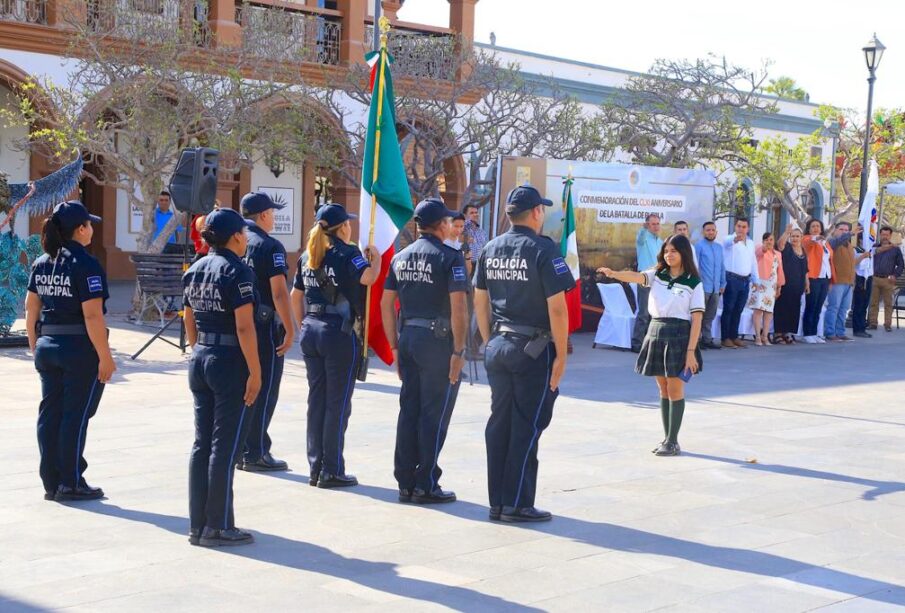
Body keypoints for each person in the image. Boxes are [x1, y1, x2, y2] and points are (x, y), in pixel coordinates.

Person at [474, 185, 574, 523]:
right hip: (532, 350)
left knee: (499, 423)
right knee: (526, 426)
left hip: (499, 345)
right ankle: (516, 503)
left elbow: (480, 298)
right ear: (535, 213)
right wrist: (562, 355)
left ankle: (498, 502)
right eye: (542, 209)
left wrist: (489, 338)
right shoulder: (544, 250)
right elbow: (557, 309)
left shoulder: (491, 247)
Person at [25, 201, 116, 502]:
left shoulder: (42, 262)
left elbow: (31, 308)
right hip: (78, 349)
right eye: (89, 224)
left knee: (50, 414)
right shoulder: (86, 264)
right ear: (80, 229)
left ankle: (51, 481)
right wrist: (105, 356)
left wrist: (34, 344)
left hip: (48, 346)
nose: (92, 229)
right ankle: (70, 481)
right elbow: (92, 316)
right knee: (75, 416)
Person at [182, 208, 262, 547]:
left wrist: (199, 347)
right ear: (236, 237)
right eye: (243, 234)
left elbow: (188, 319)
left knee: (202, 444)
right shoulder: (237, 271)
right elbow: (244, 326)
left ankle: (198, 524)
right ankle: (218, 526)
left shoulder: (196, 268)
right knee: (224, 447)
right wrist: (256, 372)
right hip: (229, 361)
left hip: (201, 358)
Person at [380, 198, 468, 504]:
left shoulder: (400, 257)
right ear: (442, 224)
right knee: (433, 413)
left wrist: (393, 344)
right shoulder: (449, 257)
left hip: (409, 337)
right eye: (448, 222)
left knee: (409, 410)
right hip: (436, 341)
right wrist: (459, 350)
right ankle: (426, 483)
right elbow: (458, 307)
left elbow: (385, 304)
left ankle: (405, 480)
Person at [290, 203, 381, 489]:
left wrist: (301, 324)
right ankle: (332, 469)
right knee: (337, 403)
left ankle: (315, 466)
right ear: (343, 227)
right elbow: (368, 278)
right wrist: (375, 259)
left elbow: (296, 295)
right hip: (338, 333)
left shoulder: (308, 255)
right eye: (348, 223)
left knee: (316, 400)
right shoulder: (347, 252)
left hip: (311, 330)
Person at [598, 234, 703, 457]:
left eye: (674, 250)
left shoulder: (694, 283)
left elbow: (697, 320)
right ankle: (667, 438)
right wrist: (615, 274)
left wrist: (691, 352)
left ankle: (673, 440)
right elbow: (636, 277)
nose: (669, 254)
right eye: (666, 250)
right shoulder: (657, 275)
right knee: (663, 388)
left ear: (684, 253)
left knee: (675, 388)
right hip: (656, 331)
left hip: (679, 335)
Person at [236, 192, 295, 472]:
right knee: (265, 389)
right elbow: (280, 292)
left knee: (245, 388)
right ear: (262, 215)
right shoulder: (270, 246)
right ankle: (255, 451)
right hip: (264, 326)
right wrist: (291, 328)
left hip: (238, 324)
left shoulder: (235, 241)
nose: (274, 216)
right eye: (272, 212)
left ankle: (243, 446)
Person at [824, 222, 865, 342]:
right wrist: (851, 233)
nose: (844, 232)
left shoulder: (850, 247)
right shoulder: (832, 242)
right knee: (833, 307)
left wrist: (863, 257)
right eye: (841, 229)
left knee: (843, 309)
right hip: (837, 281)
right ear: (835, 230)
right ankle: (830, 332)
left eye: (846, 230)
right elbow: (839, 241)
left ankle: (840, 332)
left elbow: (852, 264)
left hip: (849, 282)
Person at [721, 218, 758, 349]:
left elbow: (753, 262)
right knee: (729, 309)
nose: (740, 229)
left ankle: (734, 336)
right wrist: (734, 240)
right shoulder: (729, 239)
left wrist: (756, 279)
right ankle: (725, 338)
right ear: (735, 227)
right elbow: (727, 243)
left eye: (743, 227)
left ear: (748, 228)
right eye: (738, 226)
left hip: (745, 280)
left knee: (738, 310)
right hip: (732, 279)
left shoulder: (751, 243)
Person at [747, 232, 785, 346]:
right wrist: (765, 247)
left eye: (771, 239)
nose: (769, 242)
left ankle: (765, 336)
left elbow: (780, 270)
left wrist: (779, 285)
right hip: (760, 283)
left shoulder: (777, 254)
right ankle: (757, 336)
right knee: (758, 310)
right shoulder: (759, 248)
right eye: (767, 239)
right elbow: (760, 252)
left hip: (772, 284)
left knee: (769, 311)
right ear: (763, 241)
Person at [633, 214, 663, 352]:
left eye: (658, 223)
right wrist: (644, 229)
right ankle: (637, 343)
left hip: (658, 279)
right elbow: (640, 238)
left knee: (655, 313)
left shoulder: (661, 242)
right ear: (647, 225)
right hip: (644, 278)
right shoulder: (643, 238)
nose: (656, 226)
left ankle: (650, 342)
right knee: (644, 313)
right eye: (653, 224)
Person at [774, 224, 809, 344]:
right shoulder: (787, 247)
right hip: (785, 284)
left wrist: (807, 283)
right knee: (782, 308)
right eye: (792, 236)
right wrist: (786, 233)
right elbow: (780, 244)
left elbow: (805, 270)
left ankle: (787, 333)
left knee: (794, 309)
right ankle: (778, 333)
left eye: (797, 236)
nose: (794, 238)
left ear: (801, 237)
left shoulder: (803, 250)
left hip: (798, 285)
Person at [801, 218, 833, 343]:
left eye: (818, 226)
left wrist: (831, 280)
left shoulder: (825, 242)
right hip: (813, 277)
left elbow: (829, 259)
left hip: (825, 277)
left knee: (818, 307)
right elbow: (808, 243)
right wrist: (815, 239)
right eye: (813, 226)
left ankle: (814, 332)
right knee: (811, 305)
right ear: (809, 229)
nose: (816, 228)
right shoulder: (807, 239)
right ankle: (807, 333)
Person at [695, 221, 725, 350]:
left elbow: (722, 267)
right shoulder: (699, 246)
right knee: (698, 315)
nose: (710, 232)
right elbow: (696, 267)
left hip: (716, 288)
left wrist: (723, 283)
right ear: (703, 232)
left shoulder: (719, 247)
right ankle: (695, 341)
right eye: (708, 230)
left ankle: (706, 339)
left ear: (716, 232)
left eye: (713, 230)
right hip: (703, 287)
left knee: (710, 316)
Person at [868, 226, 904, 332]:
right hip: (874, 278)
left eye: (887, 235)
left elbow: (901, 265)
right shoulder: (874, 247)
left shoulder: (895, 249)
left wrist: (895, 275)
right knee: (873, 303)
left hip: (888, 280)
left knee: (888, 304)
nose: (885, 237)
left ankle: (887, 324)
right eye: (883, 234)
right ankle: (873, 323)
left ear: (890, 235)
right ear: (880, 235)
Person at [852, 223, 874, 338]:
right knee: (859, 304)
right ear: (861, 240)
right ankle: (857, 329)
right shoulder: (856, 250)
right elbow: (853, 264)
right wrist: (863, 256)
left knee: (865, 304)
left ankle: (862, 327)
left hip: (869, 278)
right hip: (860, 278)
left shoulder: (871, 251)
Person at [153, 190, 185, 255]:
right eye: (161, 200)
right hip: (155, 248)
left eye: (166, 200)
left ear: (170, 202)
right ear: (158, 201)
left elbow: (180, 230)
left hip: (170, 248)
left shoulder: (174, 217)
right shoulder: (152, 215)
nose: (164, 202)